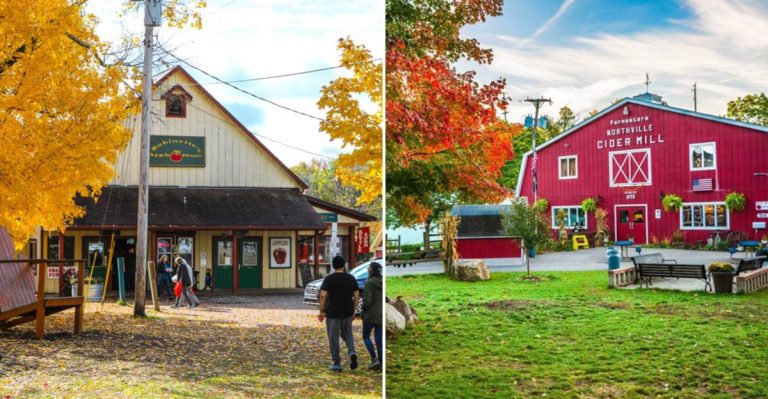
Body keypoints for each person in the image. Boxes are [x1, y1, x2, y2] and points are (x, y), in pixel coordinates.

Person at [318, 255, 360, 372]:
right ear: (343, 265)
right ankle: (352, 352)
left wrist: (321, 311)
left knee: (333, 338)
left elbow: (322, 295)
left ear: (333, 265)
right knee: (348, 334)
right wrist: (353, 309)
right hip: (347, 311)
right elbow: (357, 295)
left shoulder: (329, 279)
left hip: (333, 312)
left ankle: (337, 363)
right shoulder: (351, 278)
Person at [361, 261, 382, 370]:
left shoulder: (369, 282)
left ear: (371, 270)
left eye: (368, 268)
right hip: (381, 315)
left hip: (370, 315)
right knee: (379, 339)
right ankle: (382, 362)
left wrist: (362, 309)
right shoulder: (382, 281)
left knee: (366, 336)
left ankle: (374, 359)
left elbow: (367, 301)